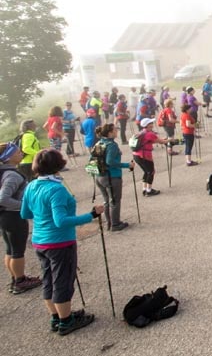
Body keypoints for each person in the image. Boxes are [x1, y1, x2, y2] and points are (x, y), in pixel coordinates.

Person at [20, 148, 103, 335]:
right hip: (59, 242)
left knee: (49, 279)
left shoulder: (31, 186)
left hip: (40, 241)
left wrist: (42, 215)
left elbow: (25, 213)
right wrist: (91, 215)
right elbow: (61, 221)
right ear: (57, 165)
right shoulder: (56, 189)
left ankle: (56, 316)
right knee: (62, 282)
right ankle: (66, 321)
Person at [0, 142, 42, 294]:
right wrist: (24, 206)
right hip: (14, 216)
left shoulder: (4, 172)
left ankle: (15, 278)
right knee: (17, 250)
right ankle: (20, 281)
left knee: (10, 249)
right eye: (17, 152)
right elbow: (3, 199)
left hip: (5, 217)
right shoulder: (11, 175)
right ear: (8, 157)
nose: (21, 153)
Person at [91, 124, 134, 231]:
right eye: (115, 130)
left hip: (99, 176)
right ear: (110, 133)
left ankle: (109, 223)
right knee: (115, 201)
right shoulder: (112, 145)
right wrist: (127, 165)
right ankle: (115, 224)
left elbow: (92, 159)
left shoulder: (99, 143)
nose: (117, 131)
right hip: (112, 176)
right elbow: (110, 161)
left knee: (107, 200)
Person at [132, 118, 169, 197]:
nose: (152, 124)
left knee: (146, 171)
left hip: (136, 155)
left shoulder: (141, 133)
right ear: (148, 125)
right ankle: (149, 190)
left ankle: (144, 189)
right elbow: (160, 141)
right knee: (151, 172)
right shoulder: (150, 134)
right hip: (144, 155)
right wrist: (169, 140)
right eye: (151, 123)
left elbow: (152, 141)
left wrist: (163, 140)